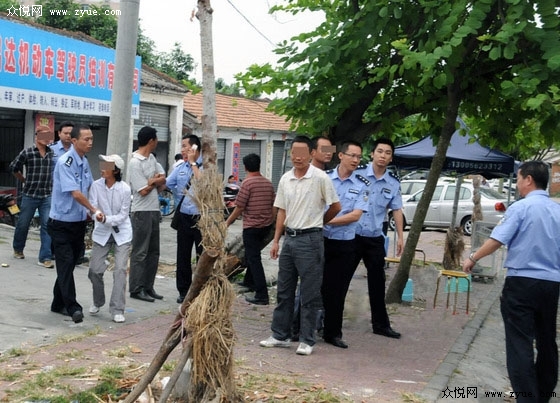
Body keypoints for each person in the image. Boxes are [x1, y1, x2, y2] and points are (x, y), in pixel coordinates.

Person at [462, 161, 560, 402]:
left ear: (528, 180)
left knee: (520, 343)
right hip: (551, 284)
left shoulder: (520, 208)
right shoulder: (558, 210)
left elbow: (498, 239)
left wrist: (473, 257)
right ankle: (542, 394)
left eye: (518, 178)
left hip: (521, 283)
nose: (517, 184)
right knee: (547, 341)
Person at [260, 136, 340, 356]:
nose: (297, 157)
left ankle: (307, 339)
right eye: (294, 152)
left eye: (302, 153)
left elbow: (336, 206)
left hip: (311, 240)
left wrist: (319, 223)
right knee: (284, 290)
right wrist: (276, 240)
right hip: (290, 239)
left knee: (309, 292)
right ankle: (279, 335)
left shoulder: (320, 178)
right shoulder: (286, 178)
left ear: (311, 154)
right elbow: (282, 211)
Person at [351, 138, 404, 339]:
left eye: (387, 153)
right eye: (380, 151)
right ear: (372, 153)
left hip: (374, 239)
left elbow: (397, 210)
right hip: (352, 236)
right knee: (339, 280)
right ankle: (328, 322)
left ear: (391, 158)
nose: (383, 156)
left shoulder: (392, 183)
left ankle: (380, 325)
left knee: (377, 283)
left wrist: (400, 237)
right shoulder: (357, 175)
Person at [49, 125, 100, 324]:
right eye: (86, 139)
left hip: (78, 223)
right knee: (65, 262)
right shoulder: (65, 162)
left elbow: (89, 187)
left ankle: (57, 302)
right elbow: (76, 193)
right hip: (61, 223)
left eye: (91, 139)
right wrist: (94, 209)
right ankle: (73, 307)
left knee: (68, 264)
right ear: (74, 141)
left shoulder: (84, 162)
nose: (90, 143)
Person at [322, 141, 369, 349]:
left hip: (344, 244)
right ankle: (302, 328)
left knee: (337, 290)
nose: (355, 160)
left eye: (359, 157)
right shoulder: (324, 179)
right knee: (313, 285)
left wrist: (326, 220)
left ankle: (333, 333)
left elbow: (356, 215)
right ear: (340, 155)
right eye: (352, 155)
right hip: (321, 240)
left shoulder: (362, 184)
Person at [225, 153, 275, 305]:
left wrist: (227, 222)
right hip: (265, 226)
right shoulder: (268, 183)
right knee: (252, 254)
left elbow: (239, 207)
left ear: (245, 167)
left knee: (254, 259)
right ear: (259, 165)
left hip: (252, 227)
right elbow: (274, 205)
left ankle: (262, 295)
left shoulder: (247, 183)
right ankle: (249, 282)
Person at [87, 154, 132, 323]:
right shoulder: (96, 186)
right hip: (101, 233)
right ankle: (98, 300)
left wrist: (107, 219)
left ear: (116, 170)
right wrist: (97, 214)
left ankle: (117, 309)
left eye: (107, 165)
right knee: (94, 270)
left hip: (122, 233)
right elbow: (92, 206)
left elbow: (123, 215)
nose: (102, 168)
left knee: (120, 270)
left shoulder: (125, 189)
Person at [128, 126, 167, 303]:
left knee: (153, 251)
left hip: (154, 210)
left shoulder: (151, 158)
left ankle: (148, 286)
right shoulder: (135, 162)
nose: (157, 142)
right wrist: (152, 181)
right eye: (156, 139)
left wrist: (153, 180)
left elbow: (163, 178)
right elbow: (142, 190)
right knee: (140, 252)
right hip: (141, 211)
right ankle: (136, 288)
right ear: (151, 140)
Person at [10, 125, 55, 268]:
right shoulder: (28, 152)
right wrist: (23, 180)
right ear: (37, 136)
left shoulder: (51, 153)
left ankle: (45, 257)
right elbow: (13, 167)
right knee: (23, 224)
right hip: (30, 194)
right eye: (44, 135)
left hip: (47, 195)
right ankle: (18, 248)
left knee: (47, 225)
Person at [166, 134, 203, 304]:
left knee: (201, 255)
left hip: (201, 217)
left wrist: (194, 162)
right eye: (182, 147)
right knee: (183, 255)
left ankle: (202, 290)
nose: (183, 150)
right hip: (184, 216)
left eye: (186, 146)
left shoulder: (204, 166)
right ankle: (183, 290)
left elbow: (202, 184)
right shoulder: (181, 167)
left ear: (195, 148)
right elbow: (168, 183)